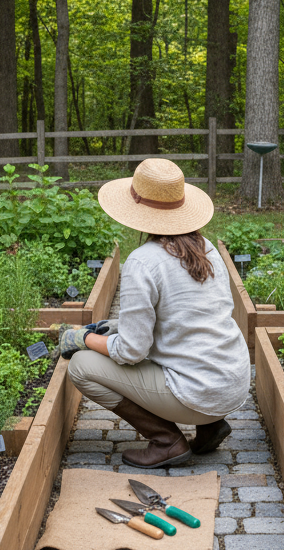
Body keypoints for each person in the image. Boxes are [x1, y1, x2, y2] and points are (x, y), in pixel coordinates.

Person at [51, 158, 250, 468]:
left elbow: (131, 351)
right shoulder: (206, 247)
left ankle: (166, 441)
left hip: (197, 391)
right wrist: (117, 325)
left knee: (81, 366)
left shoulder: (143, 261)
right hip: (232, 382)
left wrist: (85, 338)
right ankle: (210, 425)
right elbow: (186, 316)